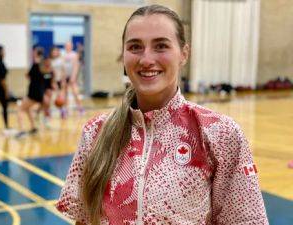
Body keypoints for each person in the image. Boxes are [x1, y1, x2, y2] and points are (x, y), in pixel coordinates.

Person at [56, 5, 268, 225]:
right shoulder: (95, 133)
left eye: (161, 46)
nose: (146, 59)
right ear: (124, 55)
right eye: (135, 46)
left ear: (184, 53)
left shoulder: (220, 133)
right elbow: (83, 219)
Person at [15, 56, 53, 138]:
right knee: (27, 109)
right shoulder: (47, 72)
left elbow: (27, 75)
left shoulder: (36, 66)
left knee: (19, 109)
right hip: (39, 95)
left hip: (33, 94)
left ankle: (21, 131)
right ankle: (33, 128)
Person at [63, 41, 84, 115]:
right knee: (65, 93)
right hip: (65, 77)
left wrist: (73, 76)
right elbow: (63, 67)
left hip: (72, 76)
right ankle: (65, 109)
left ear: (71, 46)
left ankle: (80, 108)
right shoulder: (63, 55)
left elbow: (76, 66)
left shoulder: (74, 54)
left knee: (75, 92)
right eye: (66, 45)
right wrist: (64, 77)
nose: (68, 47)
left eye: (69, 45)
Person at [50, 46, 67, 119]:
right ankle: (48, 112)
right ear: (51, 52)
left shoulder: (61, 60)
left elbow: (63, 70)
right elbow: (50, 73)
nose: (55, 53)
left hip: (60, 80)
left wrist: (64, 81)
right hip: (53, 80)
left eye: (56, 51)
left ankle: (63, 111)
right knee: (53, 96)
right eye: (54, 51)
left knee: (61, 97)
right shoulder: (50, 61)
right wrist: (53, 82)